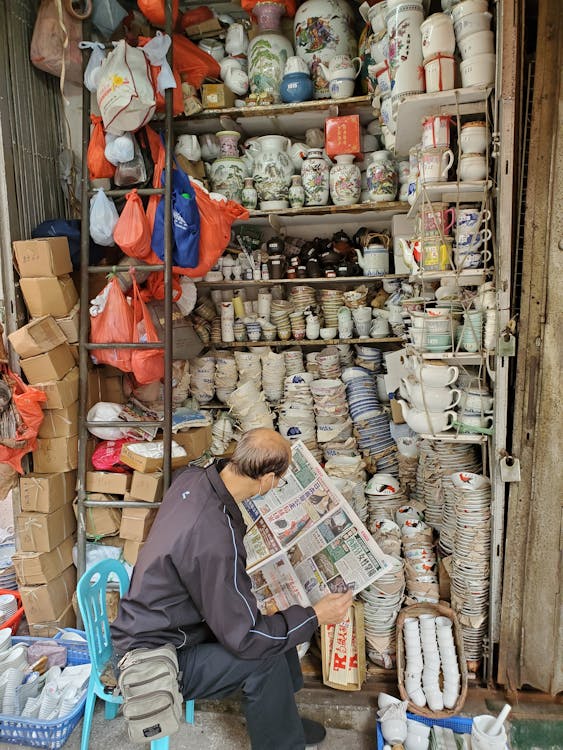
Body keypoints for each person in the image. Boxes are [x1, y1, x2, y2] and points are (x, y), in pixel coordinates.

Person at [111, 428, 353, 750]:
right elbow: (246, 639)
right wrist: (315, 616)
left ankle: (283, 720)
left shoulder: (193, 479)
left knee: (275, 626)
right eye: (279, 479)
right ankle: (283, 743)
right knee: (264, 651)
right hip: (157, 653)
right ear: (267, 479)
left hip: (169, 620)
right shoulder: (214, 536)